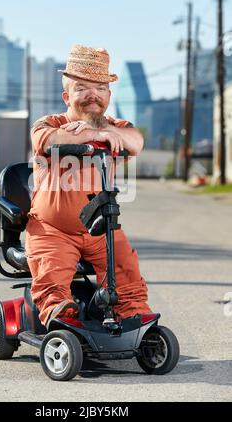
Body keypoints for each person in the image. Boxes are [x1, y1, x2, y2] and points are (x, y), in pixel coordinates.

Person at [25, 44, 152, 328]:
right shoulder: (50, 123)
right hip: (52, 230)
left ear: (108, 95)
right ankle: (62, 317)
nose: (92, 95)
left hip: (101, 229)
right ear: (66, 96)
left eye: (100, 88)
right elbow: (48, 140)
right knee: (52, 280)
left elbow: (137, 142)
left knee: (126, 273)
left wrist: (102, 131)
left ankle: (134, 318)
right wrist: (99, 134)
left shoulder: (119, 126)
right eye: (81, 88)